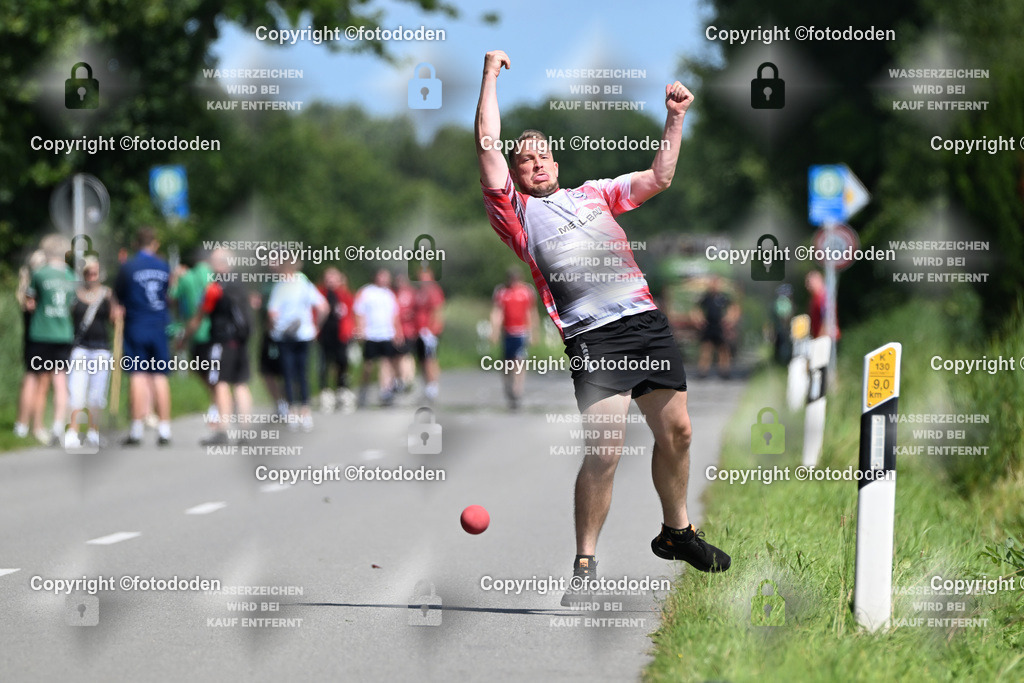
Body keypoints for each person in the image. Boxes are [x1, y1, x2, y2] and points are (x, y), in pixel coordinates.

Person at [475, 50, 730, 601]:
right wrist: (491, 74)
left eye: (543, 157)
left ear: (558, 165)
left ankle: (677, 531)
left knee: (679, 432)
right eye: (525, 161)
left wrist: (675, 117)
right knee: (606, 451)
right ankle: (585, 563)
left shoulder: (595, 194)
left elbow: (659, 177)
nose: (536, 164)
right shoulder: (515, 215)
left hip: (645, 320)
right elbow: (485, 143)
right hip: (595, 336)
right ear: (515, 175)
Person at [182, 248, 254, 445]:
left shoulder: (215, 287)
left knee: (220, 382)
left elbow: (199, 316)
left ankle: (223, 430)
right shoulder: (240, 283)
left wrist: (183, 338)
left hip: (222, 341)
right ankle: (245, 431)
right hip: (241, 341)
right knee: (240, 384)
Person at [114, 227, 173, 446]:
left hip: (136, 325)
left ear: (136, 244)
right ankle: (165, 429)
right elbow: (167, 293)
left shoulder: (128, 267)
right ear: (155, 243)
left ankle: (137, 429)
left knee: (137, 375)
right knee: (160, 376)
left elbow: (118, 295)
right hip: (158, 325)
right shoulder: (164, 266)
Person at [24, 235, 75, 446]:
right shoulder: (71, 276)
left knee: (41, 383)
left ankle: (37, 426)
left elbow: (29, 303)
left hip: (42, 333)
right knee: (61, 382)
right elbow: (72, 305)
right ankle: (57, 425)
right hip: (63, 334)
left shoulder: (39, 274)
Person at [65, 256, 119, 449]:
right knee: (76, 391)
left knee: (97, 394)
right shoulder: (75, 294)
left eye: (94, 272)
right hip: (80, 348)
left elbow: (115, 319)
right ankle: (72, 431)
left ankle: (93, 431)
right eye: (88, 272)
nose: (92, 276)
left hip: (101, 349)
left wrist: (118, 313)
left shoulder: (107, 294)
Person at [267, 260, 328, 431]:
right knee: (302, 373)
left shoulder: (281, 285)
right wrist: (316, 327)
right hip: (304, 333)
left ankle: (293, 411)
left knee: (288, 373)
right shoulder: (303, 282)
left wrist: (273, 329)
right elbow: (323, 307)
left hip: (285, 335)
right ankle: (305, 412)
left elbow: (272, 313)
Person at [170, 250, 217, 427]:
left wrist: (175, 279)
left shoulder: (187, 277)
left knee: (201, 369)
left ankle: (217, 405)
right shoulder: (215, 274)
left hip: (196, 330)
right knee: (216, 372)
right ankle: (218, 404)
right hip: (216, 329)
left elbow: (172, 297)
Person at [353, 269, 404, 408]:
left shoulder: (389, 294)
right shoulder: (366, 292)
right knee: (368, 366)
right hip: (371, 334)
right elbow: (359, 312)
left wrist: (398, 332)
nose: (384, 280)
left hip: (386, 333)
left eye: (386, 277)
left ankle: (385, 392)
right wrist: (360, 330)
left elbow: (395, 316)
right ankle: (363, 390)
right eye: (382, 277)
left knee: (386, 363)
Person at [490, 267, 537, 409]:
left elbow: (531, 312)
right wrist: (494, 331)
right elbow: (497, 313)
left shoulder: (527, 291)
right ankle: (508, 386)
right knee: (507, 363)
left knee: (519, 361)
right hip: (507, 332)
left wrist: (534, 332)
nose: (514, 282)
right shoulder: (502, 292)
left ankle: (517, 390)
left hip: (521, 332)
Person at [15, 249, 46, 440]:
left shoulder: (25, 288)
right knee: (39, 381)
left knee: (30, 378)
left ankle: (22, 424)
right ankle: (36, 425)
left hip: (30, 340)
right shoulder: (36, 290)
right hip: (40, 339)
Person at [316, 268, 356, 413]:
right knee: (324, 364)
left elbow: (352, 312)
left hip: (341, 335)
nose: (331, 281)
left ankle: (342, 391)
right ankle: (325, 393)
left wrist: (353, 330)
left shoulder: (344, 294)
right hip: (325, 335)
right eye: (328, 277)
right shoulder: (319, 294)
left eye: (333, 277)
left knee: (342, 362)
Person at [695, 275, 739, 379]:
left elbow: (734, 308)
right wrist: (699, 320)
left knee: (723, 351)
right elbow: (696, 309)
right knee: (706, 350)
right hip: (709, 326)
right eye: (712, 283)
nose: (714, 286)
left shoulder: (724, 298)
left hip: (721, 327)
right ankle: (703, 372)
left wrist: (730, 320)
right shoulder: (706, 297)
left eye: (716, 283)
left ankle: (724, 371)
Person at [412, 265, 445, 402]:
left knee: (430, 359)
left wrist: (432, 330)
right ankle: (427, 385)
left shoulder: (434, 291)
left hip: (429, 333)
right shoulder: (419, 292)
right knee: (421, 360)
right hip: (419, 331)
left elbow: (437, 312)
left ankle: (433, 385)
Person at [391, 273, 418, 394]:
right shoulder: (392, 293)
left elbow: (417, 310)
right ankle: (399, 379)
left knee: (405, 354)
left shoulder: (411, 293)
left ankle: (407, 379)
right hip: (393, 331)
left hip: (408, 330)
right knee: (395, 356)